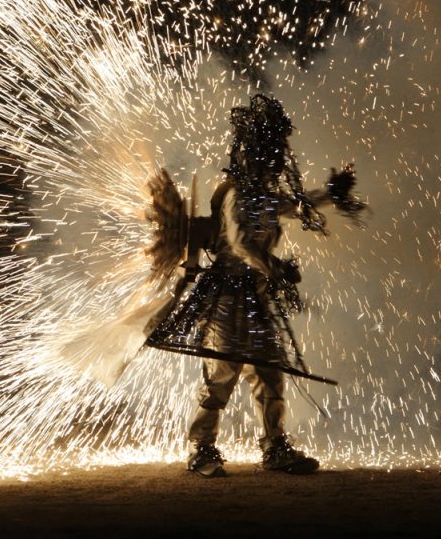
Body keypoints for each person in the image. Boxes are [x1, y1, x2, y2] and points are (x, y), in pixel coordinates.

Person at [145, 94, 364, 478]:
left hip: (256, 297)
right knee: (221, 377)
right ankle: (202, 448)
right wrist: (274, 267)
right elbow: (241, 242)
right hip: (227, 297)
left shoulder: (263, 195)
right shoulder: (233, 194)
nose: (269, 162)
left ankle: (275, 446)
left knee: (270, 373)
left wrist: (331, 192)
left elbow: (298, 205)